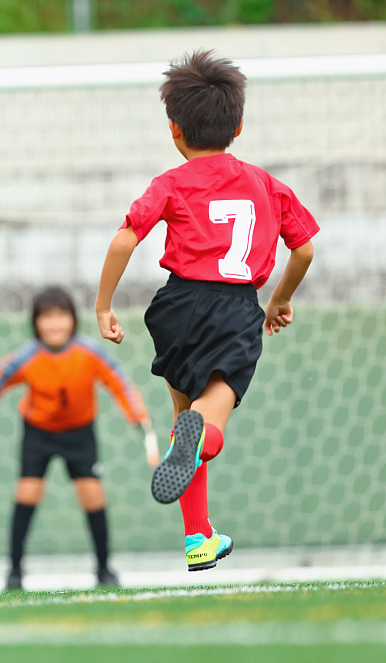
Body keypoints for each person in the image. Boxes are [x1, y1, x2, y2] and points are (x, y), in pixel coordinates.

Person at [95, 50, 318, 572]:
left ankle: (199, 537)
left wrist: (104, 305)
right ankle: (197, 446)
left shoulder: (170, 183)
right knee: (205, 420)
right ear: (238, 126)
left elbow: (126, 239)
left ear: (174, 129)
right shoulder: (267, 185)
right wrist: (280, 298)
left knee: (183, 418)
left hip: (174, 305)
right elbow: (304, 248)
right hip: (234, 308)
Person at [0, 287, 155, 591]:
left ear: (72, 320)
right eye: (47, 317)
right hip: (38, 433)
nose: (54, 324)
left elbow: (118, 380)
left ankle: (104, 570)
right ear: (36, 322)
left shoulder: (89, 352)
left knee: (93, 496)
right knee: (27, 494)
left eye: (61, 316)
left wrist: (139, 418)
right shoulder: (27, 357)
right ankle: (14, 573)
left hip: (80, 433)